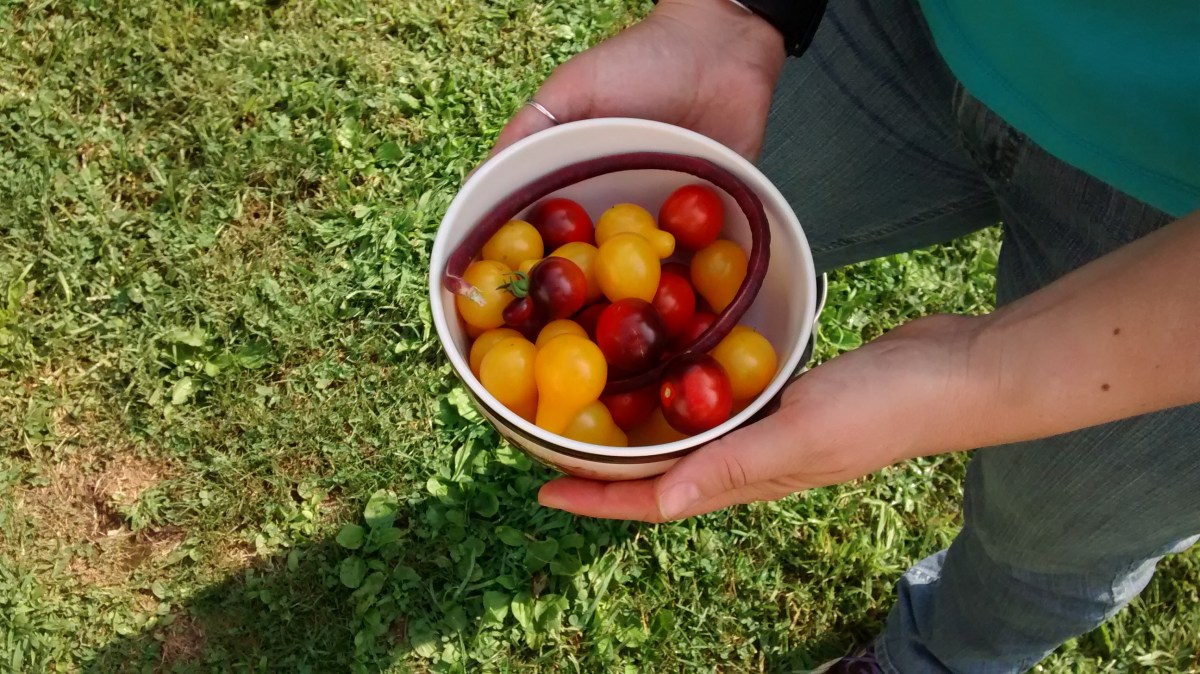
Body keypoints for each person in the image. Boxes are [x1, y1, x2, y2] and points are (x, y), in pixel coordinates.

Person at [482, 0, 1200, 671]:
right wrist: (737, 12)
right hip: (913, 22)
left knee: (1053, 528)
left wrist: (976, 375)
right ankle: (764, 298)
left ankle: (935, 660)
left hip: (1173, 197)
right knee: (757, 201)